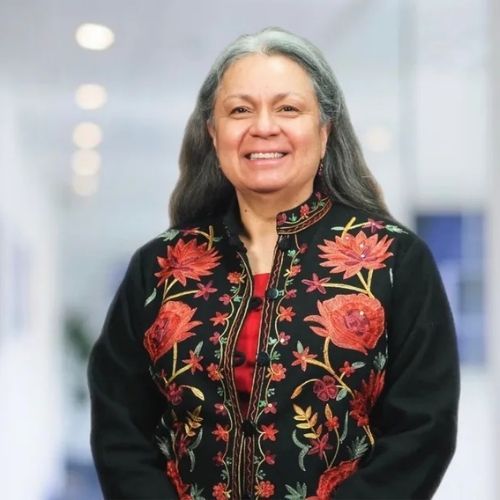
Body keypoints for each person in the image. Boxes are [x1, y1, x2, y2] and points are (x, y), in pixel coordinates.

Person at [88, 27, 460, 500]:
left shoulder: (395, 262)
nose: (263, 127)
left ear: (324, 132)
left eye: (288, 108)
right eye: (239, 110)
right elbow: (121, 428)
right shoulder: (160, 266)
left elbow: (422, 431)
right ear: (213, 133)